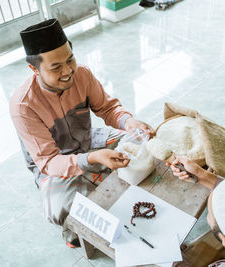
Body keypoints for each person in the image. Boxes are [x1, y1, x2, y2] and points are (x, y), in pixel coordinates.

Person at [10, 18, 155, 247]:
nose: (68, 71)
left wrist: (128, 122)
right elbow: (48, 161)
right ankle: (74, 233)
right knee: (61, 208)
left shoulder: (83, 75)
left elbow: (107, 107)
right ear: (34, 69)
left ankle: (99, 178)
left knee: (140, 143)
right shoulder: (23, 106)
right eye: (55, 67)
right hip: (54, 165)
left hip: (89, 141)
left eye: (70, 60)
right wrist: (92, 159)